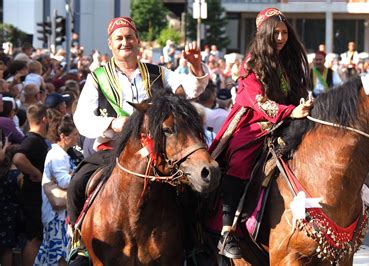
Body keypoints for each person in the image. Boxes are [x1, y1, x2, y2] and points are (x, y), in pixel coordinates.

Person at [69, 15, 208, 238]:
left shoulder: (158, 72)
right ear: (110, 44)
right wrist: (112, 123)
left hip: (157, 151)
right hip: (113, 149)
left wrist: (195, 67)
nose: (125, 42)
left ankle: (195, 240)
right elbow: (82, 118)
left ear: (138, 40)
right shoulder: (97, 77)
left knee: (190, 189)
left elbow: (191, 90)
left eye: (129, 37)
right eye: (119, 38)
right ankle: (77, 239)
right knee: (78, 182)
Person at [209, 8, 312, 259]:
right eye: (275, 33)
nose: (280, 37)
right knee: (240, 160)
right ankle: (227, 230)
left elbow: (299, 92)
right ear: (264, 34)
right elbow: (258, 101)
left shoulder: (289, 61)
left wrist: (305, 105)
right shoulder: (252, 63)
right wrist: (290, 112)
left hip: (287, 118)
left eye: (284, 32)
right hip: (255, 121)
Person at [34, 115, 79, 266]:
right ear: (63, 136)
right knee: (55, 256)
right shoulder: (57, 155)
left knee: (51, 254)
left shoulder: (61, 154)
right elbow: (64, 181)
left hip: (57, 215)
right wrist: (79, 175)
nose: (77, 138)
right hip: (55, 217)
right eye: (74, 134)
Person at [12, 103, 50, 266]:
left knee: (36, 237)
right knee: (34, 238)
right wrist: (37, 173)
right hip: (33, 197)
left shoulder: (36, 140)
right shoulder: (33, 140)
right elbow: (18, 158)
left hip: (35, 196)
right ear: (44, 119)